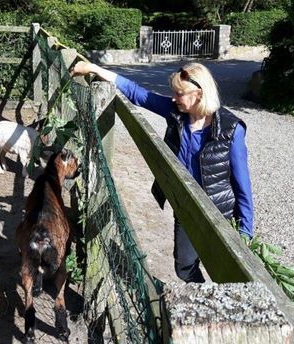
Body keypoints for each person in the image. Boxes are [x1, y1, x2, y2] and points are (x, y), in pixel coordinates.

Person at [71, 61, 254, 283]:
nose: (174, 98)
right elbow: (137, 93)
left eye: (179, 93)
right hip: (185, 208)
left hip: (219, 214)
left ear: (199, 93)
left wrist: (245, 232)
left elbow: (242, 185)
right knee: (184, 268)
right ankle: (201, 300)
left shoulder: (231, 129)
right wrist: (94, 69)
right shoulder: (176, 113)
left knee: (226, 278)